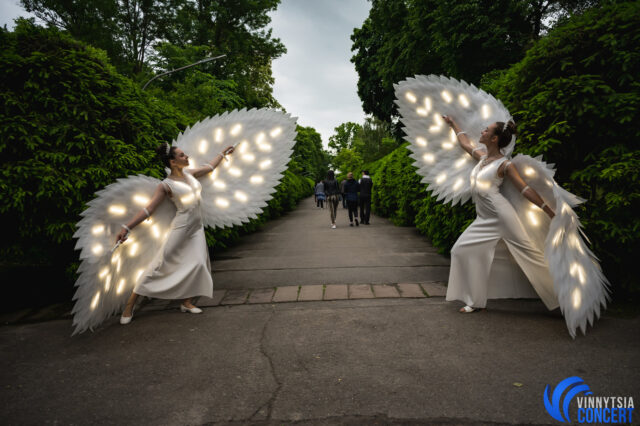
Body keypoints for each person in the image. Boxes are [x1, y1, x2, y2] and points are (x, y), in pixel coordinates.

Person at [442, 115, 558, 313]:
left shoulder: (505, 165)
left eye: (486, 130)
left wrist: (547, 209)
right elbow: (464, 142)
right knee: (460, 251)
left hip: (502, 217)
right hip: (483, 219)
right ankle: (476, 302)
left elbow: (525, 189)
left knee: (530, 255)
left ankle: (564, 297)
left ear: (494, 139)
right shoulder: (482, 157)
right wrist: (453, 123)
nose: (482, 132)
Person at [115, 142, 235, 324]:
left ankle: (186, 302)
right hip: (181, 227)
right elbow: (149, 209)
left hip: (196, 227)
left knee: (198, 263)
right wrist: (127, 227)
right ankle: (130, 305)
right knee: (159, 264)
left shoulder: (190, 173)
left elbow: (210, 167)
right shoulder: (166, 185)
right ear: (173, 162)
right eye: (182, 155)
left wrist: (223, 152)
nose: (186, 157)